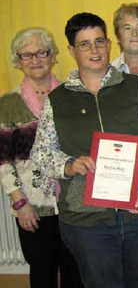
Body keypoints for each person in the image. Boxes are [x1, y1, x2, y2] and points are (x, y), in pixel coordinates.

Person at [30, 12, 138, 288]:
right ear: (71, 50)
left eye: (99, 42)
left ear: (109, 44)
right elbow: (42, 153)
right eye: (84, 44)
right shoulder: (57, 100)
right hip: (87, 221)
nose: (94, 50)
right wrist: (69, 165)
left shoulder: (137, 87)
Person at [0, 27, 83, 288]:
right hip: (34, 206)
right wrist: (19, 203)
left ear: (52, 56)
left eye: (41, 52)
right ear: (17, 61)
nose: (35, 60)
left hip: (75, 202)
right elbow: (3, 161)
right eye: (26, 55)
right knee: (43, 273)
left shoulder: (73, 93)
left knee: (76, 271)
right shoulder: (8, 103)